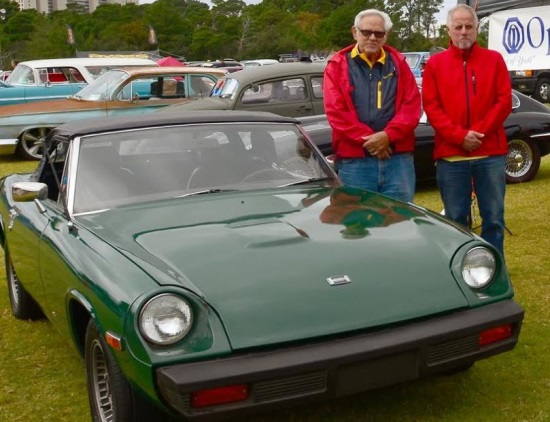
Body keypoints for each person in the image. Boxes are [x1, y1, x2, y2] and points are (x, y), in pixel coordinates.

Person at [422, 4, 511, 257]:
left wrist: (478, 133)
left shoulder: (494, 60)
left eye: (469, 26)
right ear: (448, 30)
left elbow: (503, 101)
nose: (463, 32)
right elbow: (431, 106)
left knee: (493, 219)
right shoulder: (435, 65)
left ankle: (493, 272)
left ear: (476, 29)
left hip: (490, 154)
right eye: (458, 27)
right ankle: (462, 274)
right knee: (455, 221)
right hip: (451, 157)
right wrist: (459, 136)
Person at [323, 9, 421, 203]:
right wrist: (373, 141)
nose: (372, 37)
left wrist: (388, 136)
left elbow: (412, 107)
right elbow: (336, 112)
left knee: (399, 222)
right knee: (356, 226)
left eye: (379, 33)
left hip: (397, 160)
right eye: (366, 32)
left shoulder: (399, 64)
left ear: (386, 36)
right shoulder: (336, 66)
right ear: (355, 32)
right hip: (355, 162)